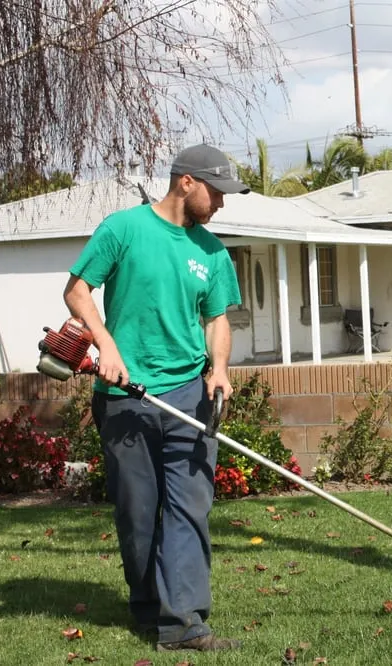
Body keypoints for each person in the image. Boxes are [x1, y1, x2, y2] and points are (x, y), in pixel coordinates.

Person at [63, 144, 247, 650]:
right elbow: (77, 291)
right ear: (186, 182)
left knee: (189, 507)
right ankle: (150, 611)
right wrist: (107, 346)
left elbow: (216, 319)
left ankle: (185, 621)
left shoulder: (212, 251)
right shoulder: (123, 229)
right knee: (138, 513)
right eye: (217, 192)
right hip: (123, 396)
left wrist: (220, 370)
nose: (222, 204)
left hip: (190, 395)